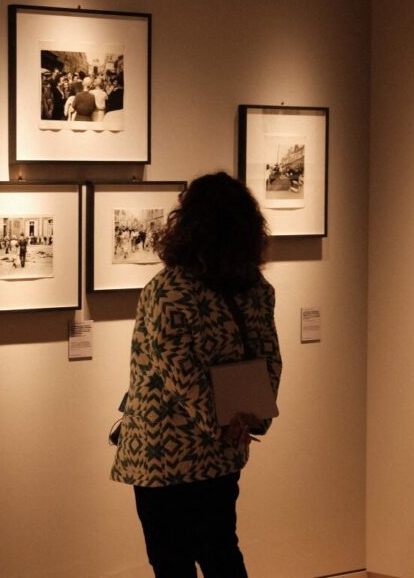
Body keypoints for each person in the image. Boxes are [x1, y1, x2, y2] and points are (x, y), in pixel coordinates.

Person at [110, 172, 282, 578]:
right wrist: (248, 420)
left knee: (172, 563)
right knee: (222, 550)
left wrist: (216, 425)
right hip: (223, 451)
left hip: (165, 453)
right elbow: (270, 359)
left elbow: (179, 373)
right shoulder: (255, 287)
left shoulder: (169, 289)